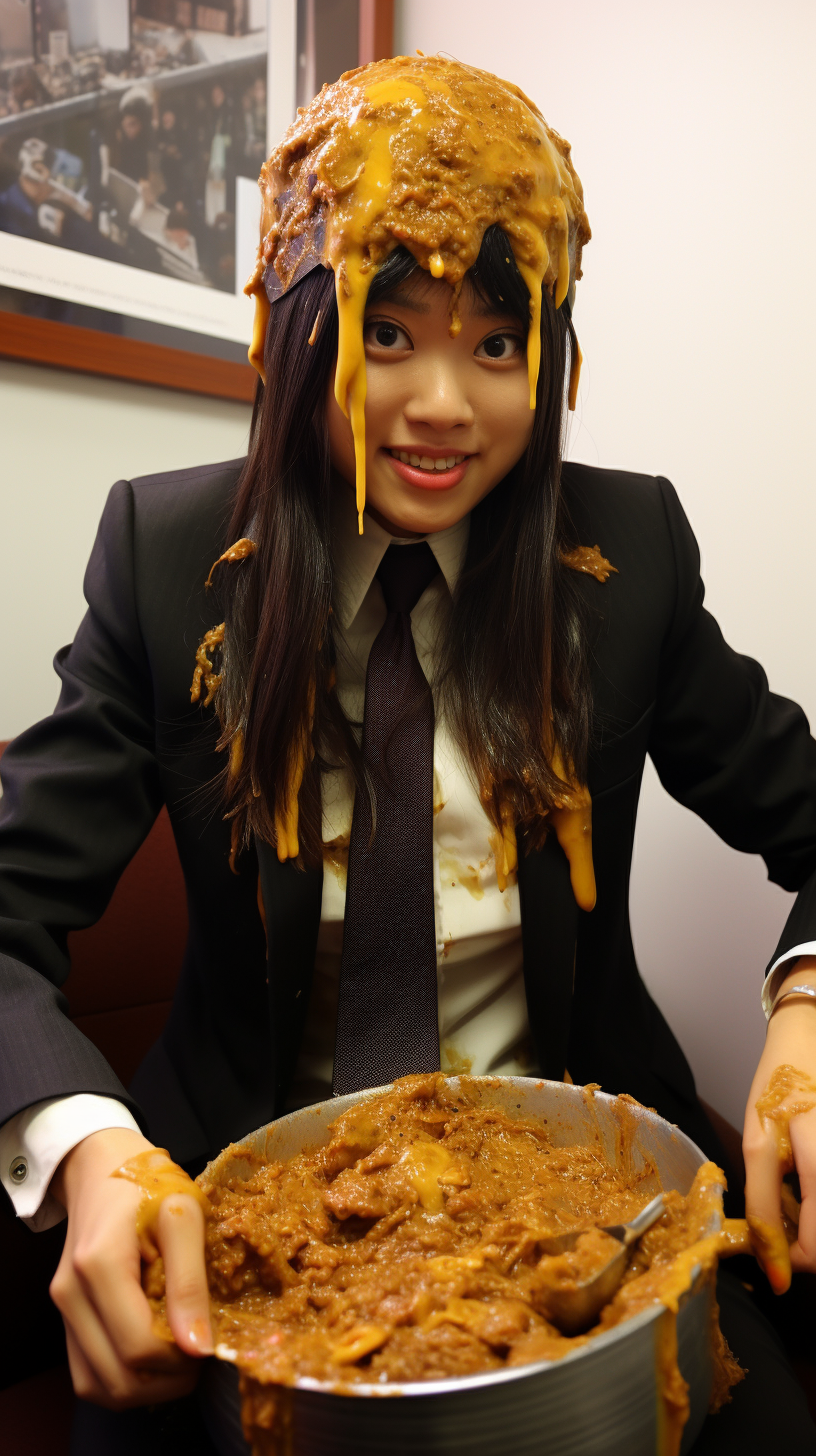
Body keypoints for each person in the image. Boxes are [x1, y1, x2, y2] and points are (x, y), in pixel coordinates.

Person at [1, 53, 816, 1454]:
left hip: (588, 1207)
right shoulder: (167, 558)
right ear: (298, 330)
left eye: (499, 343)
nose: (446, 401)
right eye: (392, 333)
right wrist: (87, 1150)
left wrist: (805, 1013)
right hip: (241, 1212)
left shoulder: (625, 564)